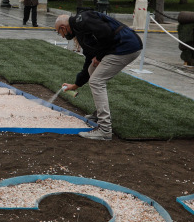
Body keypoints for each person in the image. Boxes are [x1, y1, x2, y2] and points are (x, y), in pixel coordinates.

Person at [56, 11, 143, 140]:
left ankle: (105, 129)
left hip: (126, 46)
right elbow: (89, 59)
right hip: (123, 45)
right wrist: (76, 85)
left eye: (59, 33)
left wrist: (101, 55)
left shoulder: (82, 21)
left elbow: (106, 34)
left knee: (96, 81)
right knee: (92, 70)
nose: (62, 36)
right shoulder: (79, 29)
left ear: (63, 28)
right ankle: (98, 114)